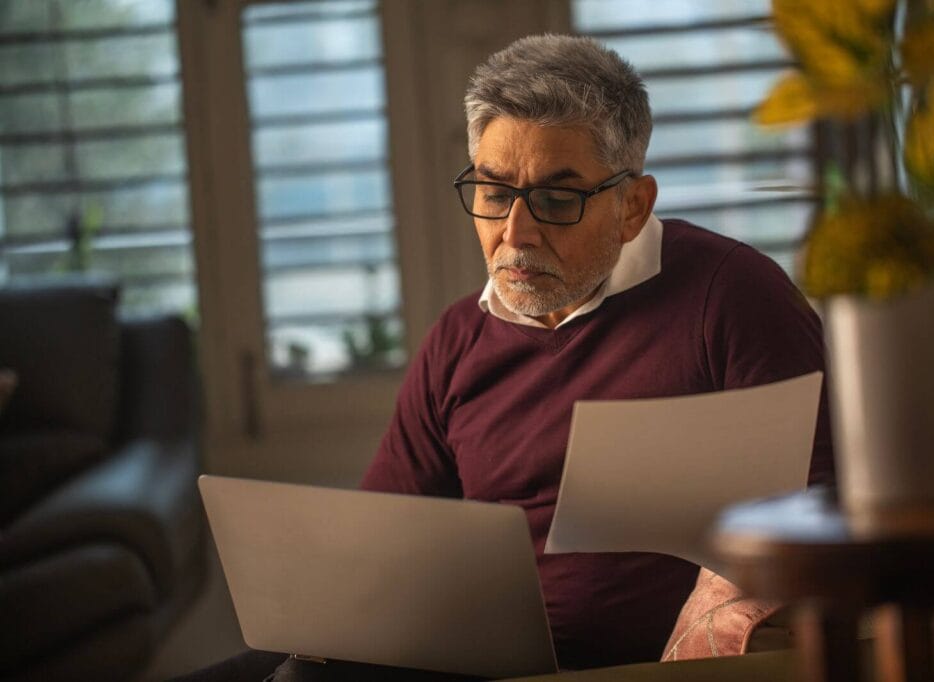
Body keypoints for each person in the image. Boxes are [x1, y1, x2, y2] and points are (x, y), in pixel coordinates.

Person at [177, 33, 832, 681]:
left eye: (557, 197)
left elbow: (826, 501)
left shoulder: (731, 296)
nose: (515, 234)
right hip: (463, 654)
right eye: (494, 193)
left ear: (632, 207)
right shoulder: (459, 341)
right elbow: (378, 554)